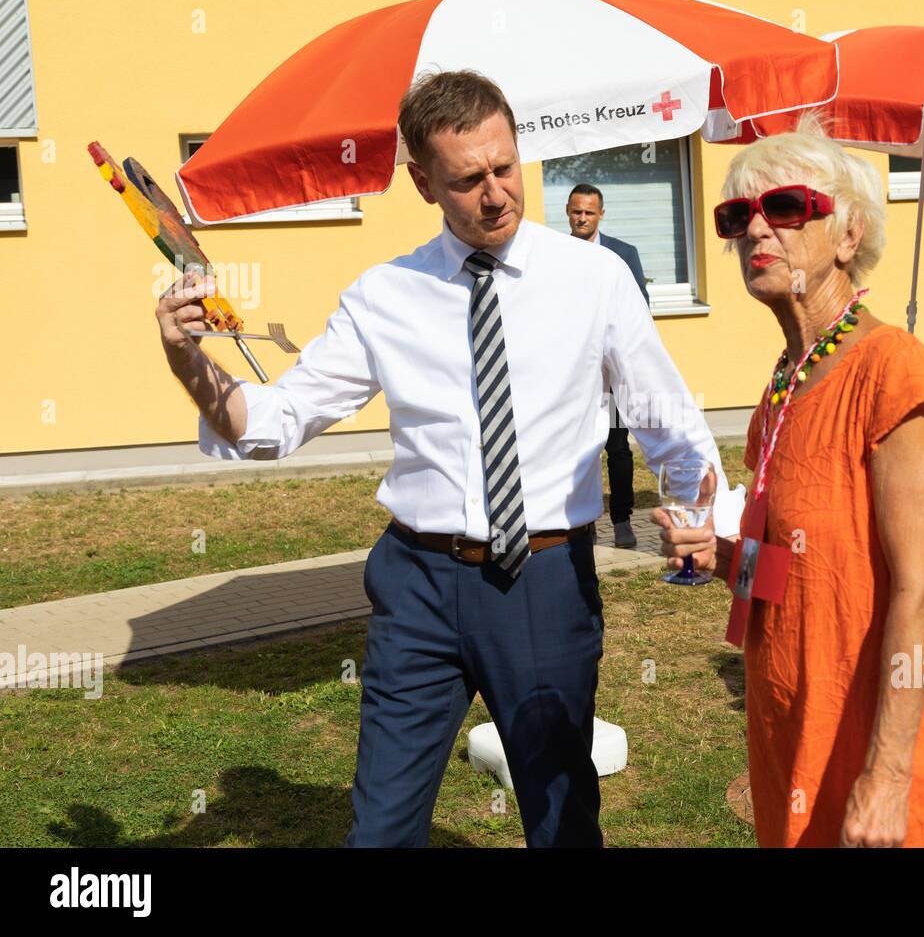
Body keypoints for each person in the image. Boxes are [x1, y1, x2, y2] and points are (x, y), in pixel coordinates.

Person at [154, 70, 743, 848]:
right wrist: (186, 359)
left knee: (563, 821)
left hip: (545, 585)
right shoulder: (383, 295)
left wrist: (703, 516)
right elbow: (273, 424)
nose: (495, 193)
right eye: (468, 180)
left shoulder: (593, 278)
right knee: (382, 830)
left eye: (505, 168)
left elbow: (665, 417)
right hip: (419, 587)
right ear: (423, 182)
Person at [654, 114, 924, 848]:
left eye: (785, 209)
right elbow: (801, 570)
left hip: (887, 745)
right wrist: (723, 557)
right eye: (737, 217)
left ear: (849, 235)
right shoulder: (787, 381)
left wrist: (887, 778)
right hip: (801, 724)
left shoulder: (894, 371)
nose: (756, 232)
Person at [567, 183, 650, 550]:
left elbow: (639, 308)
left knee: (617, 448)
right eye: (576, 211)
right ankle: (581, 522)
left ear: (601, 213)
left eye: (589, 212)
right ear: (568, 212)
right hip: (572, 373)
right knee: (576, 447)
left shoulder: (623, 253)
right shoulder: (555, 255)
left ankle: (621, 520)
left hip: (613, 371)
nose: (582, 218)